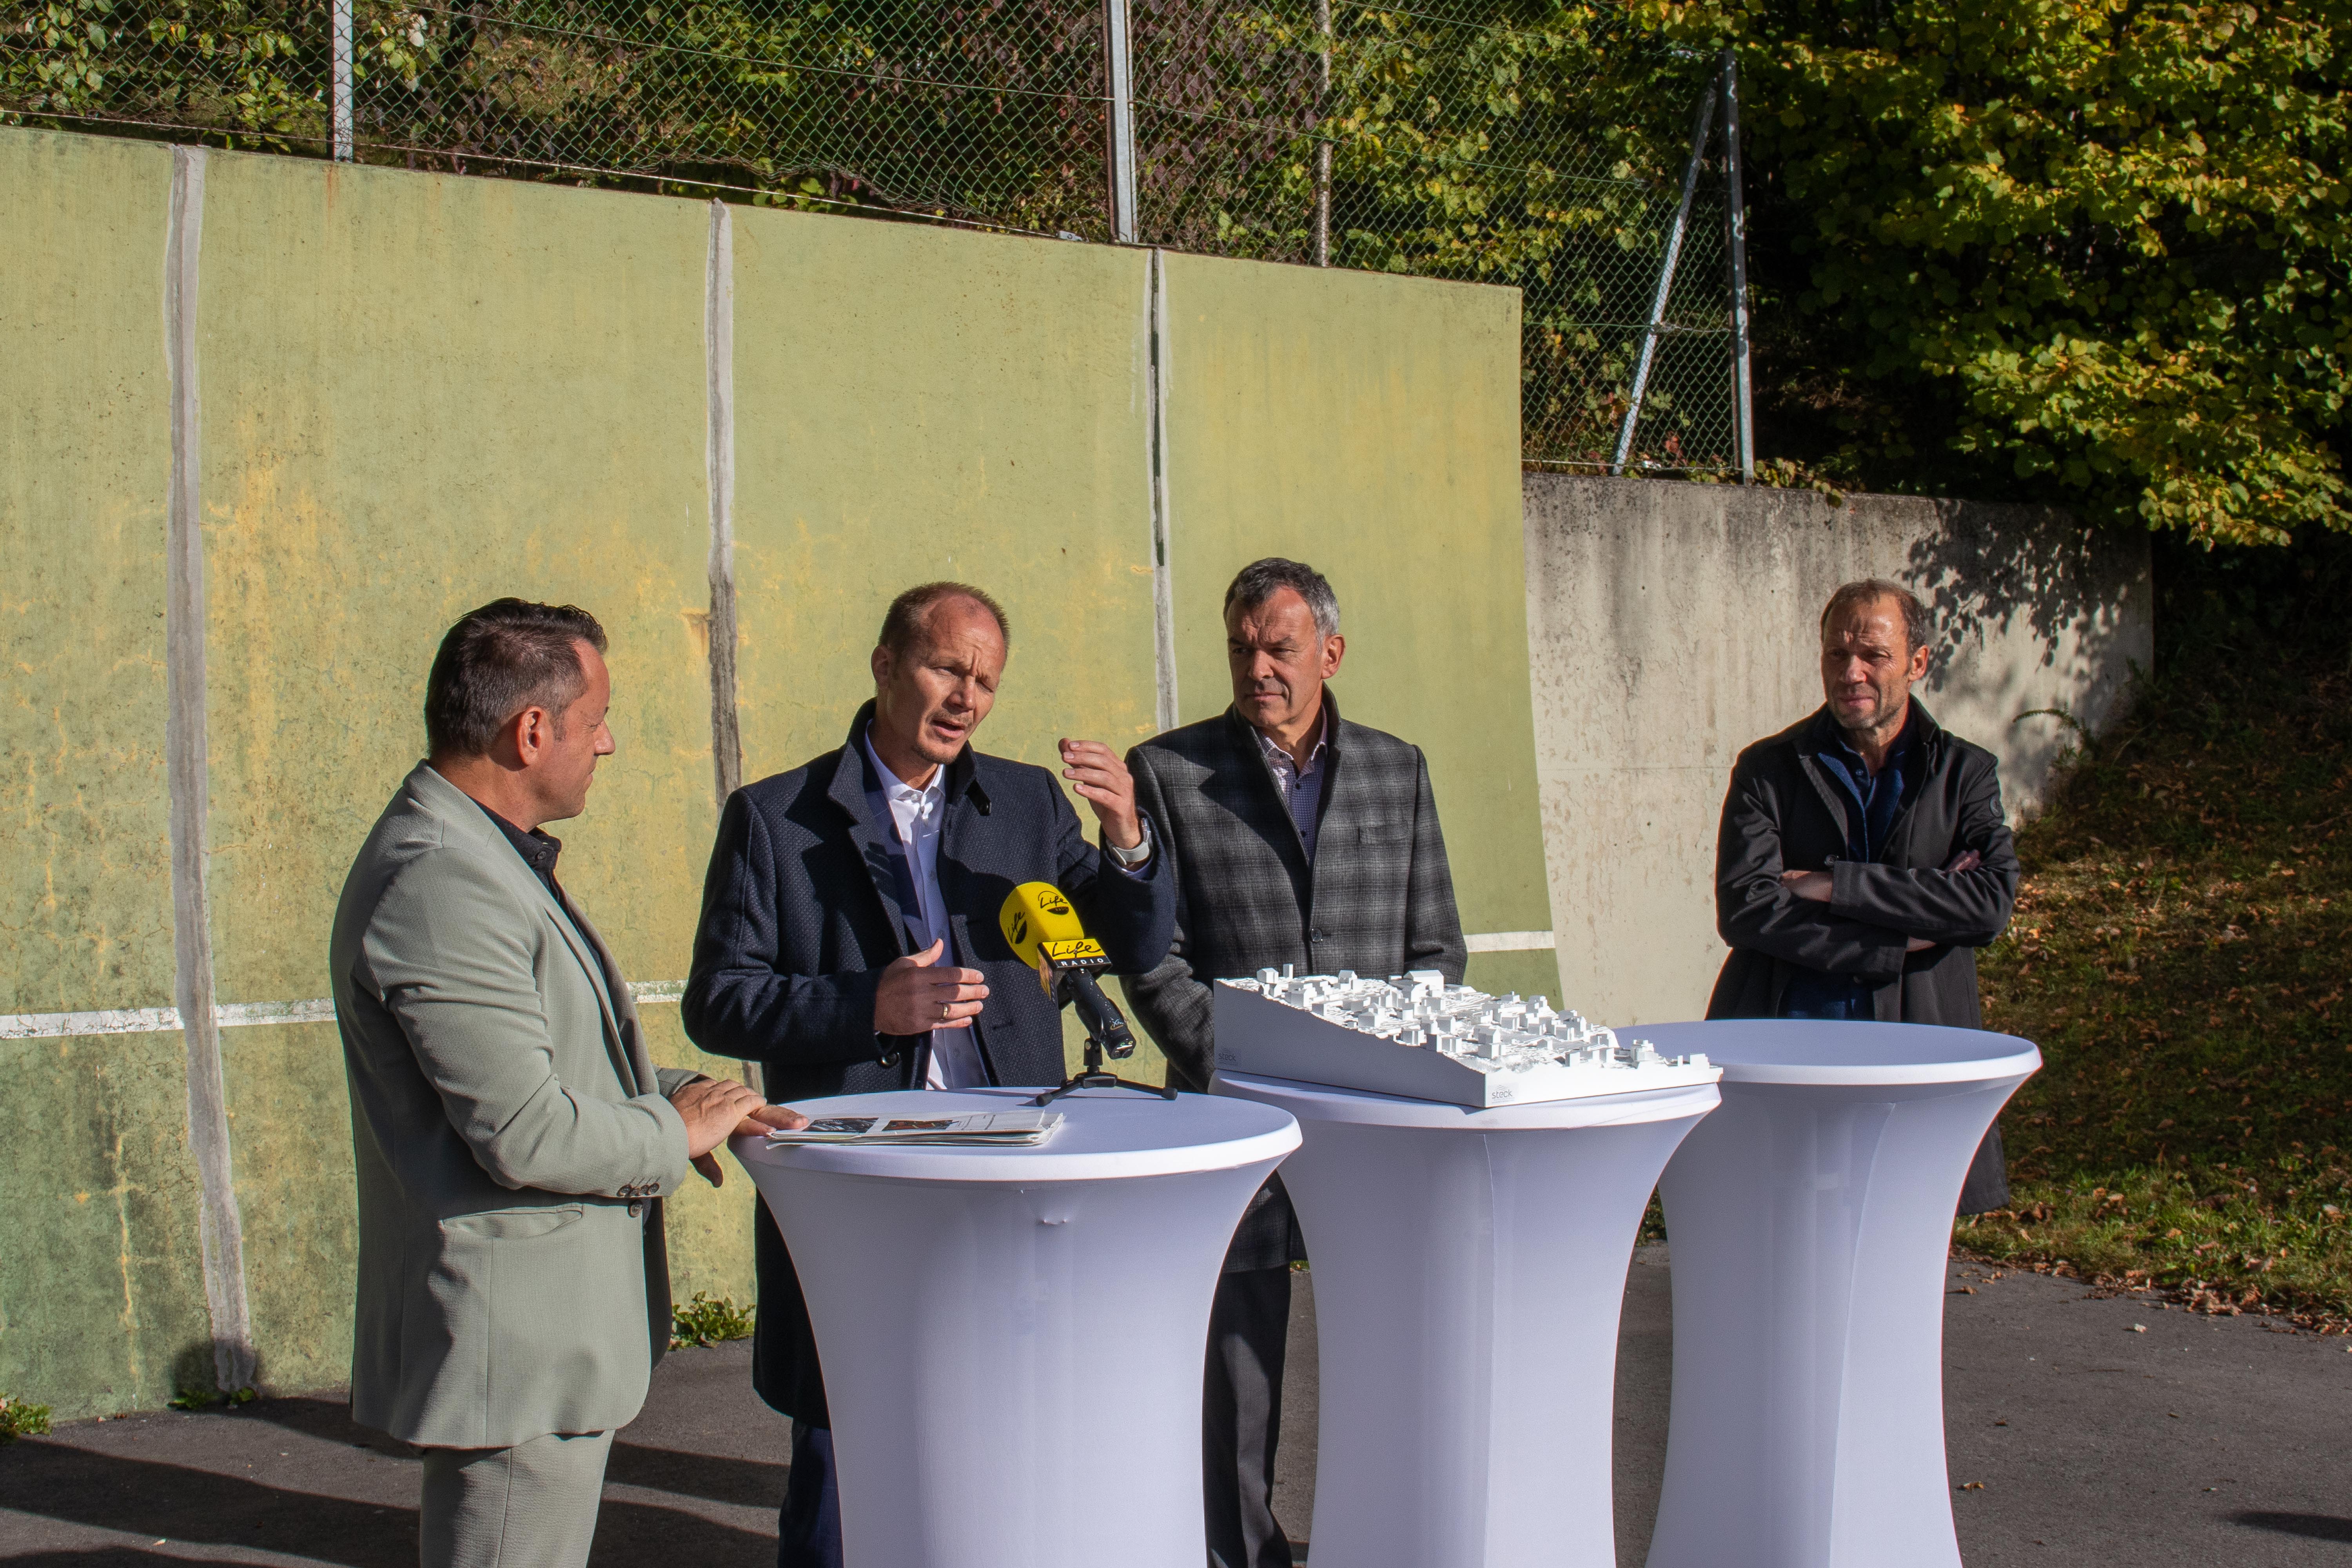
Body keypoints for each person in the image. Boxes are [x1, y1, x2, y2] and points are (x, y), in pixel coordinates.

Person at [681, 581, 1176, 1568]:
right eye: (948, 668)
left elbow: (1132, 940)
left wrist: (1127, 836)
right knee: (840, 1454)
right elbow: (719, 1000)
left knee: (1008, 1444)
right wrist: (867, 1000)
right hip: (864, 1178)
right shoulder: (775, 819)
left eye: (986, 681)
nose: (967, 698)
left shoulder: (1027, 802)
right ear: (884, 663)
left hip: (1007, 1168)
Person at [332, 599, 804, 1568]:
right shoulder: (441, 879)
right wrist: (672, 1132)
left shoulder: (480, 852)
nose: (610, 742)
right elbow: (526, 1131)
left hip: (538, 1346)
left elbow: (551, 1061)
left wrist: (695, 1098)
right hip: (519, 1352)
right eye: (596, 720)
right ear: (532, 729)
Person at [1125, 557, 1467, 1568]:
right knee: (1238, 1375)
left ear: (1330, 650)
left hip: (1380, 1127)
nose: (1257, 666)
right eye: (1240, 647)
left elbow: (1436, 950)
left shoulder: (1396, 768)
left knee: (1392, 1355)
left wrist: (1386, 1067)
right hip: (1238, 1118)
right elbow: (1155, 957)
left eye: (1278, 647)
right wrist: (1237, 1062)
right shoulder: (1169, 772)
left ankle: (1383, 1538)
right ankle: (1239, 1556)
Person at [1708, 577, 2022, 1210]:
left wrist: (1833, 884)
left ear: (1918, 662)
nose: (1851, 672)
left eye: (1873, 655)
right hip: (1789, 1036)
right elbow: (1746, 908)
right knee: (1781, 1224)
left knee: (1902, 1225)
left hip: (1917, 1038)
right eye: (1835, 654)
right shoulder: (1770, 768)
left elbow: (1988, 904)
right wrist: (1905, 933)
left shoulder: (1966, 774)